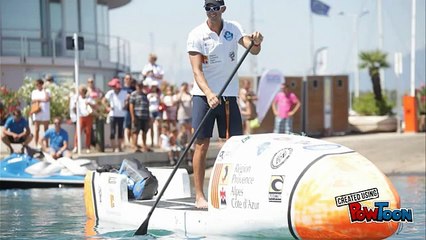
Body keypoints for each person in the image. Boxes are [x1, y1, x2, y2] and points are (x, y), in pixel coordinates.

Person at [187, 0, 263, 208]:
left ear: (222, 9)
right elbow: (197, 72)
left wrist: (256, 42)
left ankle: (229, 192)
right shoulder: (196, 34)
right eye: (208, 8)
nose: (212, 12)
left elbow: (253, 50)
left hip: (229, 97)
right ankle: (199, 196)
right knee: (201, 144)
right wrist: (209, 93)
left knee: (234, 145)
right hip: (204, 96)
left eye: (215, 8)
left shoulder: (234, 28)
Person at [103, 78, 128, 152]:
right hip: (112, 115)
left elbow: (128, 99)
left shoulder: (124, 92)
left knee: (121, 131)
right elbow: (103, 100)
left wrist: (125, 105)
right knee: (113, 131)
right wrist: (107, 107)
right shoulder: (110, 93)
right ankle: (114, 148)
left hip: (121, 114)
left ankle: (120, 147)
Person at [129, 81, 151, 152]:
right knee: (135, 131)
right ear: (136, 86)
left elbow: (147, 106)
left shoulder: (145, 95)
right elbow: (131, 106)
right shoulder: (133, 94)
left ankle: (144, 145)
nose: (139, 87)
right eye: (138, 86)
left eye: (141, 86)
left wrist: (148, 117)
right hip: (137, 116)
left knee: (145, 131)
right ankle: (135, 146)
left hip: (145, 116)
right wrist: (133, 117)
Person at [73, 85, 96, 153]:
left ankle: (87, 147)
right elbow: (74, 108)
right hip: (80, 117)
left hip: (88, 116)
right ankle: (76, 146)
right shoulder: (78, 99)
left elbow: (95, 105)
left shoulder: (89, 98)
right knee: (78, 132)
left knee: (88, 132)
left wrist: (89, 103)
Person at [31, 79, 51, 149]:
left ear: (41, 84)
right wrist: (41, 100)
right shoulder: (34, 92)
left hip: (45, 112)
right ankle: (36, 144)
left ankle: (46, 144)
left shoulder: (47, 91)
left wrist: (44, 90)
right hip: (37, 112)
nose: (37, 86)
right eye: (36, 85)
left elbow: (47, 99)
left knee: (46, 129)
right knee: (37, 129)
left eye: (38, 84)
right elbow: (33, 100)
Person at [122, 74, 136, 147]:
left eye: (129, 79)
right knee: (125, 126)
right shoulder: (122, 89)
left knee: (131, 126)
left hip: (133, 110)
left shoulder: (134, 88)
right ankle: (126, 141)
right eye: (127, 79)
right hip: (125, 110)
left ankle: (131, 142)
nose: (128, 80)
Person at [147, 82, 162, 147]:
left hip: (157, 111)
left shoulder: (158, 94)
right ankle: (152, 142)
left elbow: (161, 101)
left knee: (159, 126)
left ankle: (159, 142)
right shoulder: (149, 95)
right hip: (151, 111)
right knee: (151, 127)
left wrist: (158, 97)